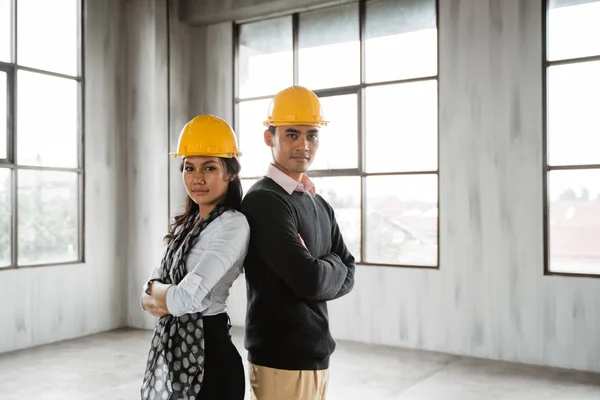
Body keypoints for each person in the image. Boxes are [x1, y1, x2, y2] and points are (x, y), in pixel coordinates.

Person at [241, 86, 356, 400]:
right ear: (269, 137)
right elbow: (310, 281)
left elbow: (350, 270)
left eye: (312, 135)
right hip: (281, 358)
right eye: (292, 134)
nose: (304, 145)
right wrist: (329, 265)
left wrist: (324, 266)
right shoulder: (265, 201)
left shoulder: (318, 203)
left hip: (315, 355)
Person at [140, 115, 249, 400]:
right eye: (189, 168)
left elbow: (182, 301)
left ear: (231, 173)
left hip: (212, 361)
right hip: (178, 357)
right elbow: (147, 299)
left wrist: (155, 290)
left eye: (209, 168)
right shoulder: (188, 225)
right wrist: (161, 293)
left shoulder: (232, 225)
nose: (197, 178)